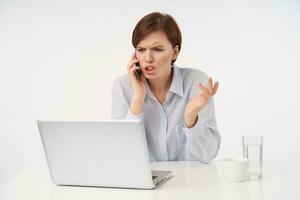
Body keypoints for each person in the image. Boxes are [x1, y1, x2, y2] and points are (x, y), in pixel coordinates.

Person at [111, 12, 221, 162]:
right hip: (143, 181)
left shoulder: (196, 83)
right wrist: (138, 99)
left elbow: (207, 156)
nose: (148, 58)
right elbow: (121, 154)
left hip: (189, 182)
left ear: (174, 52)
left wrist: (191, 119)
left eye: (157, 49)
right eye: (141, 49)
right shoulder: (123, 87)